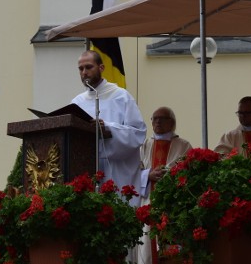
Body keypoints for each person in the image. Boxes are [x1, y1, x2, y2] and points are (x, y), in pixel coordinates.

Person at [72, 50, 146, 205]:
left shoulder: (121, 96)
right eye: (81, 69)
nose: (84, 72)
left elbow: (138, 133)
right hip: (88, 174)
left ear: (101, 67)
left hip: (117, 174)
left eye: (88, 67)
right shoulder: (77, 103)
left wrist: (108, 128)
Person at [138, 107, 192, 264]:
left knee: (172, 248)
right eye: (154, 118)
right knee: (147, 246)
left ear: (172, 122)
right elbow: (134, 170)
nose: (157, 121)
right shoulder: (144, 145)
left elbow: (187, 169)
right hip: (148, 202)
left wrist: (165, 173)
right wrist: (147, 175)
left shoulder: (183, 145)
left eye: (162, 118)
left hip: (173, 205)